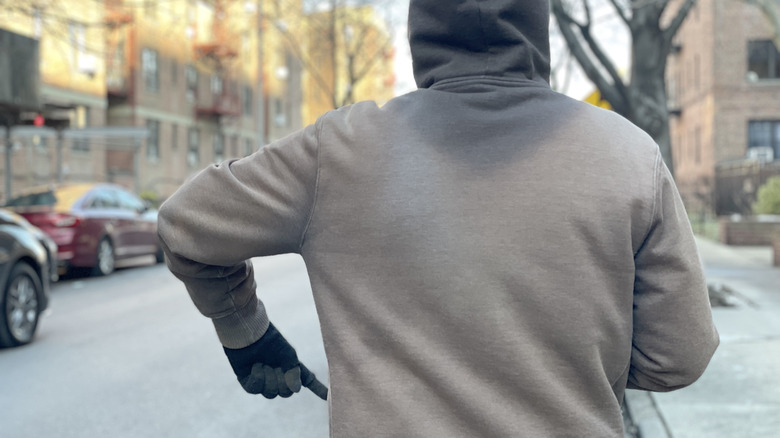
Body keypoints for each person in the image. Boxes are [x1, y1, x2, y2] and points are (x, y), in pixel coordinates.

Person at [157, 0, 720, 436]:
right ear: (537, 21)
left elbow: (186, 223)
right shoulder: (628, 155)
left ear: (420, 27)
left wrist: (247, 333)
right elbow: (680, 357)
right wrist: (575, 369)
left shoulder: (342, 151)